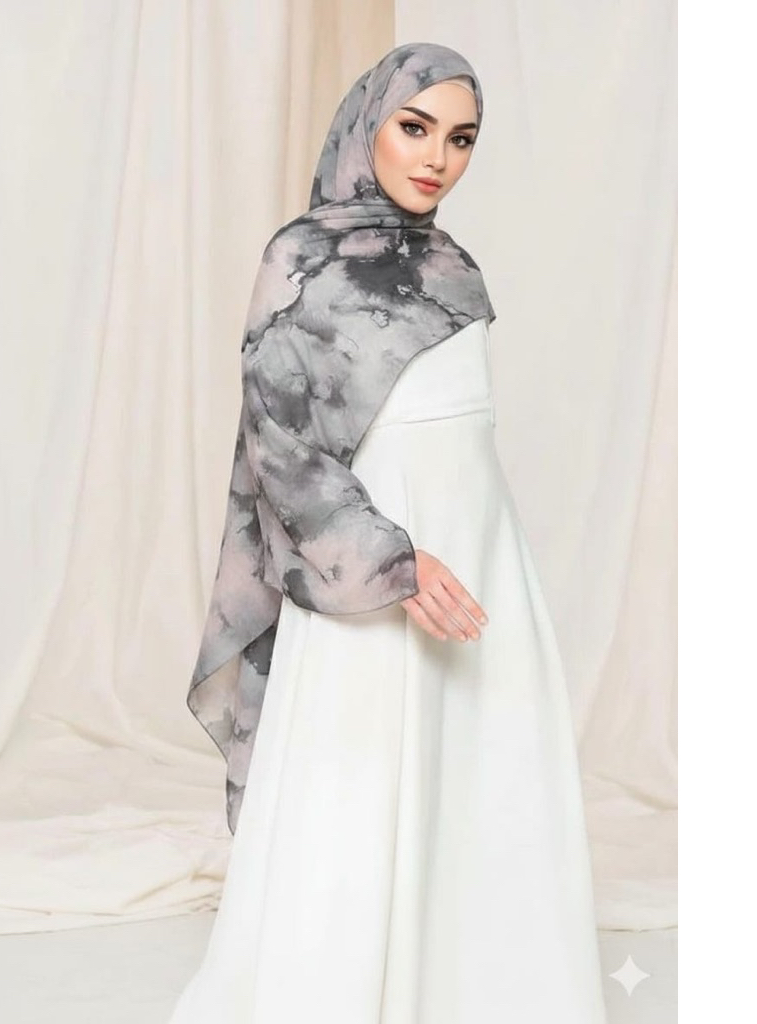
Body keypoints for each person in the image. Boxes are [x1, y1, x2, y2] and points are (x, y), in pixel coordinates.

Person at [171, 42, 608, 1024]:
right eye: (416, 127)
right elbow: (279, 443)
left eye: (461, 138)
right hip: (368, 571)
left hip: (480, 555)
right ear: (369, 122)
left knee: (483, 776)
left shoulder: (456, 269)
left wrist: (465, 554)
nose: (437, 157)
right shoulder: (300, 259)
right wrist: (392, 562)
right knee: (358, 786)